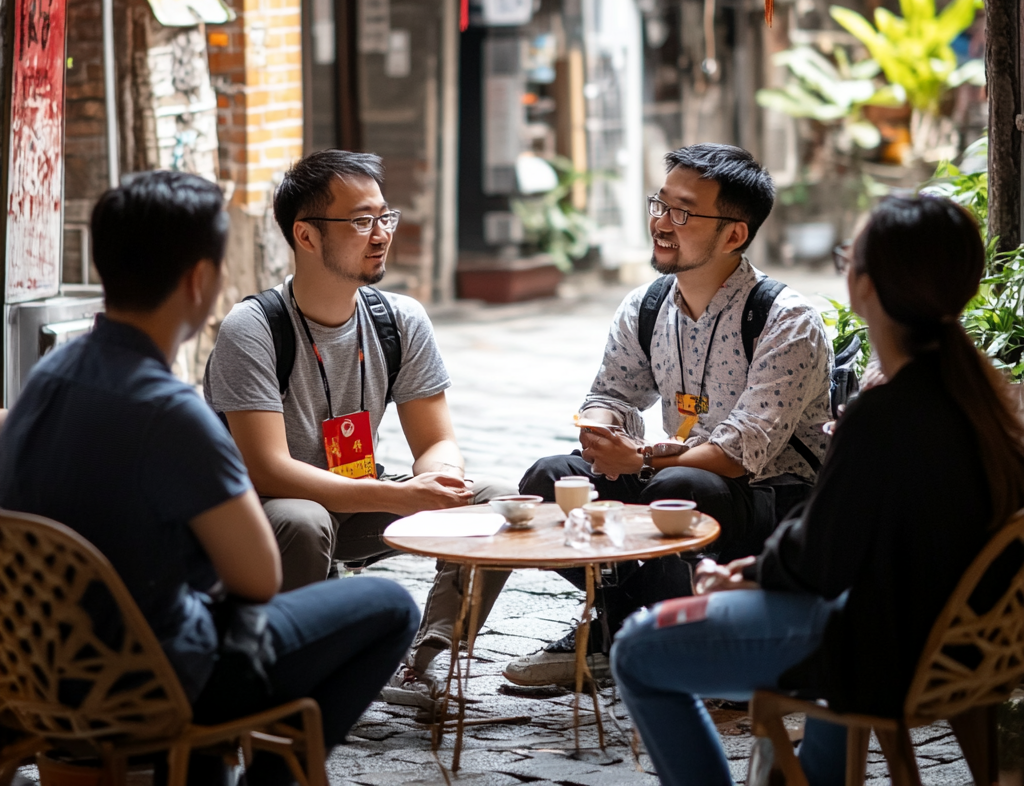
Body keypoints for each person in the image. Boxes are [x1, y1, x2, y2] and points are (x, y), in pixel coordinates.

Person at [0, 171, 420, 784]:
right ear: (200, 280)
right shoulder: (171, 412)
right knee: (388, 605)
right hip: (148, 680)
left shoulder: (50, 376)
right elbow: (257, 576)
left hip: (36, 669)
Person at [611, 193, 1024, 786]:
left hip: (880, 652)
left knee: (637, 649)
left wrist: (746, 574)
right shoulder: (985, 397)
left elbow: (821, 561)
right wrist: (757, 571)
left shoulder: (886, 411)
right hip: (959, 648)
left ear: (867, 288)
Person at [509, 143, 833, 687]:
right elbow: (612, 391)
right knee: (550, 480)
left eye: (683, 212)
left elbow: (737, 453)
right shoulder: (647, 305)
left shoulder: (786, 320)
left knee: (685, 485)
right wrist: (601, 429)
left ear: (734, 234)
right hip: (669, 477)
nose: (661, 221)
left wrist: (637, 465)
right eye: (659, 204)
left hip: (768, 505)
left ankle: (644, 639)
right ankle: (620, 623)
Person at [204, 150, 515, 712]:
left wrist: (440, 477)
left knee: (494, 500)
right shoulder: (252, 328)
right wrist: (397, 495)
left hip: (362, 497)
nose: (381, 235)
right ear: (306, 235)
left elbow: (436, 439)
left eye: (384, 217)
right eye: (360, 221)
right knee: (303, 519)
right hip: (272, 514)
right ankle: (293, 671)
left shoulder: (399, 319)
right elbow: (268, 470)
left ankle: (429, 659)